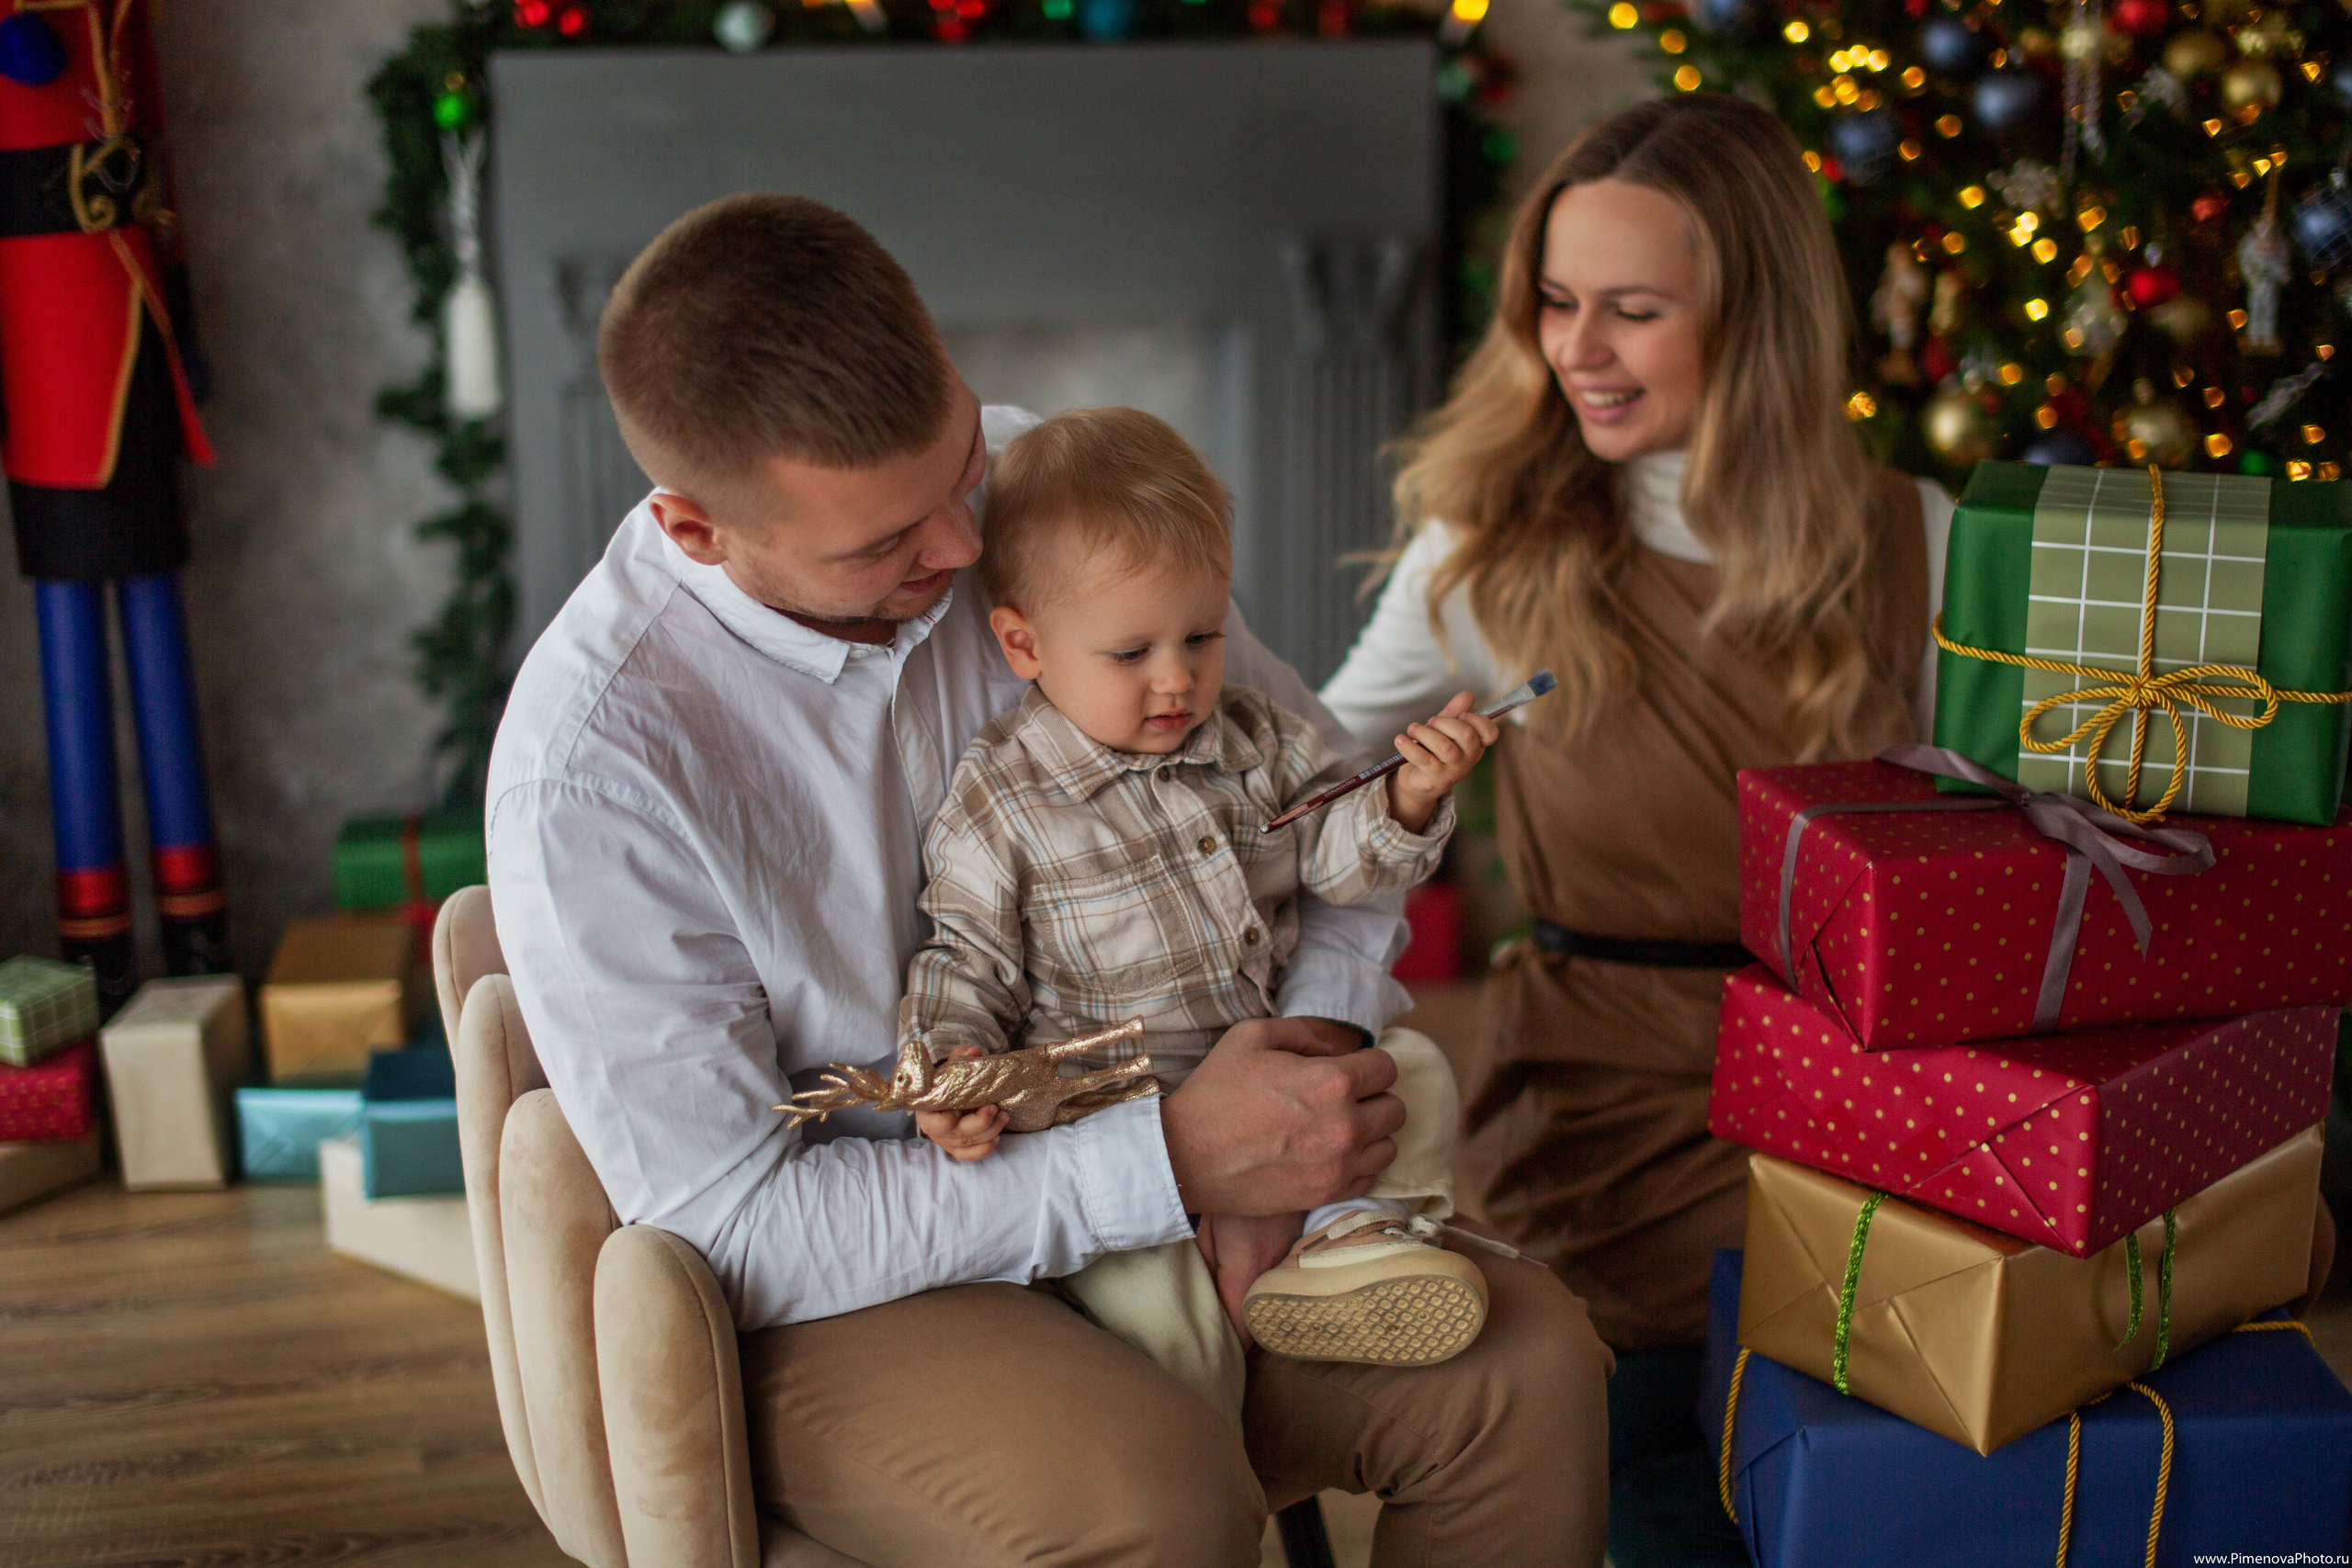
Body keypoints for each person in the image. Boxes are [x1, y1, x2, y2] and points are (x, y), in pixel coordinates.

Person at [487, 192, 1611, 1566]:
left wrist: (1286, 1102)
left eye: (956, 464)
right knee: (1156, 1497)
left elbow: (1310, 802)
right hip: (875, 1266)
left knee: (1532, 1361)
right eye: (884, 546)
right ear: (695, 527)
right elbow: (737, 1218)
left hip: (1204, 1146)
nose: (962, 553)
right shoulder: (595, 767)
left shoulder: (1044, 494)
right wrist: (1169, 1159)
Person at [1318, 95, 1953, 1567]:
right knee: (1664, 1479)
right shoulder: (1484, 553)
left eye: (1632, 310)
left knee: (1877, 1477)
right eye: (1553, 301)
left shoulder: (1910, 535)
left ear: (1756, 316)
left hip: (1855, 1103)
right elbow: (1309, 776)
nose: (1576, 350)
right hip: (1604, 1095)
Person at [896, 406, 1509, 1421]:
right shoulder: (999, 806)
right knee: (1172, 1348)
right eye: (1131, 653)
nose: (1178, 678)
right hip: (1128, 1131)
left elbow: (1340, 862)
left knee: (1420, 1078)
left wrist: (1403, 800)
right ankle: (1211, 1416)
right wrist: (951, 1066)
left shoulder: (1257, 742)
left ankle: (1341, 1239)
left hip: (1282, 1092)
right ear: (1023, 643)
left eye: (1203, 635)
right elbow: (966, 964)